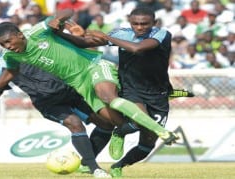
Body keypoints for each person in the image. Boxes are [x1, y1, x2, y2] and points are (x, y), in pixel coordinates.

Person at [0, 9, 179, 166]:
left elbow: (65, 13)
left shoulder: (37, 32)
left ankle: (159, 131)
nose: (7, 46)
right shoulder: (9, 57)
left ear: (19, 34)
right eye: (3, 45)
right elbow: (7, 77)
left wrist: (61, 22)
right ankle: (113, 142)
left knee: (109, 99)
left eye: (8, 42)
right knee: (113, 121)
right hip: (74, 86)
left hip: (93, 67)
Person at [58, 7, 191, 177]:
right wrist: (63, 33)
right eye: (135, 23)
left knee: (148, 143)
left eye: (145, 24)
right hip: (131, 88)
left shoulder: (162, 34)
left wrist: (106, 36)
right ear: (130, 22)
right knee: (137, 122)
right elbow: (85, 43)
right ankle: (119, 132)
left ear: (154, 23)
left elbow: (137, 48)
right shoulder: (121, 33)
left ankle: (118, 166)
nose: (140, 27)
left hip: (158, 93)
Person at [0, 54, 114, 178]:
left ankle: (86, 162)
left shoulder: (36, 48)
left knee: (107, 124)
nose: (10, 44)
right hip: (48, 103)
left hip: (71, 95)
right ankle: (95, 169)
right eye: (5, 42)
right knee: (75, 123)